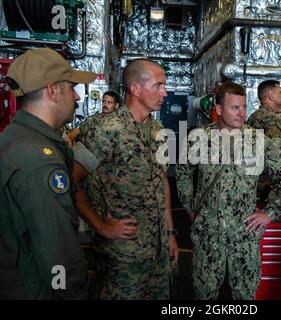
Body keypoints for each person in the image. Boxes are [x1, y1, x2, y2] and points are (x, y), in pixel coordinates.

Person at [176, 82, 281, 299]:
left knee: (244, 296)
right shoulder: (199, 139)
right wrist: (191, 207)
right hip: (208, 235)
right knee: (204, 293)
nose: (242, 113)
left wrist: (269, 213)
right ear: (219, 110)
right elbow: (183, 173)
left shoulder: (258, 141)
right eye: (235, 108)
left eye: (244, 107)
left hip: (244, 235)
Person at [76, 58, 179, 299]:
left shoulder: (158, 131)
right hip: (122, 256)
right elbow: (70, 180)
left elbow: (161, 182)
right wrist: (101, 226)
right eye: (158, 85)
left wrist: (171, 234)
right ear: (135, 89)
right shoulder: (106, 129)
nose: (164, 92)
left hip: (157, 251)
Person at [0, 48, 96, 299]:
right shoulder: (41, 161)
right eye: (71, 87)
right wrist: (73, 292)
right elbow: (58, 254)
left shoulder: (13, 139)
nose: (76, 97)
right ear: (53, 91)